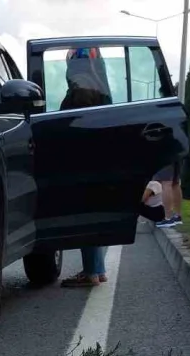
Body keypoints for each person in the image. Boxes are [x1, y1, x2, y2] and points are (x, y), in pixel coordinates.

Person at [61, 48, 113, 288]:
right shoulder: (100, 85)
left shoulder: (81, 88)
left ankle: (91, 271)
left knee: (86, 216)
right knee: (95, 214)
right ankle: (98, 269)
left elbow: (75, 124)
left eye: (70, 57)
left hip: (84, 161)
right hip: (101, 159)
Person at [153, 162, 184, 228]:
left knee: (166, 182)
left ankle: (168, 218)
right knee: (175, 183)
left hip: (165, 155)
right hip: (177, 154)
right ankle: (177, 216)